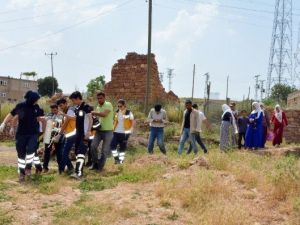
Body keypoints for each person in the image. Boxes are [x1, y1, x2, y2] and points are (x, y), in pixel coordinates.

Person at [0, 90, 43, 182]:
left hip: (33, 133)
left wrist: (43, 122)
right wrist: (4, 123)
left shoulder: (36, 107)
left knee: (31, 150)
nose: (37, 102)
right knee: (21, 154)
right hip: (21, 134)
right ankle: (22, 173)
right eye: (36, 100)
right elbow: (12, 115)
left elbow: (40, 118)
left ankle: (28, 168)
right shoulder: (21, 106)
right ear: (31, 99)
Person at [69, 91, 93, 179]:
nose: (73, 102)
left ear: (78, 99)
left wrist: (88, 131)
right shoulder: (78, 108)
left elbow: (90, 120)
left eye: (73, 100)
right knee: (77, 152)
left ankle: (78, 174)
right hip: (78, 133)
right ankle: (79, 171)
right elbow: (75, 119)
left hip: (84, 133)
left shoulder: (86, 107)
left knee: (81, 152)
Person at [90, 91, 114, 171]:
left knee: (104, 151)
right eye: (98, 98)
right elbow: (97, 118)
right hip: (99, 131)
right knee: (93, 146)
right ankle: (95, 164)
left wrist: (94, 112)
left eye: (101, 98)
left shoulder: (108, 104)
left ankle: (100, 167)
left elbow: (104, 114)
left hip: (108, 131)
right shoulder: (98, 107)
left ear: (104, 98)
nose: (99, 100)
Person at [54, 98, 76, 174]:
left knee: (63, 152)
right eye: (59, 106)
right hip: (67, 133)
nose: (61, 107)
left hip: (71, 134)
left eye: (61, 105)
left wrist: (59, 134)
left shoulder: (70, 110)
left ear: (66, 103)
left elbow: (66, 123)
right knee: (62, 152)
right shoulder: (65, 111)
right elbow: (63, 124)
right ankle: (70, 167)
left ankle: (61, 170)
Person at [111, 99, 134, 164]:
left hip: (124, 133)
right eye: (118, 106)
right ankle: (116, 159)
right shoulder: (117, 112)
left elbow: (132, 122)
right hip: (116, 132)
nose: (119, 108)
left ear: (124, 106)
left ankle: (121, 161)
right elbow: (115, 121)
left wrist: (130, 131)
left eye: (120, 106)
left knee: (122, 148)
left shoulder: (129, 112)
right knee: (112, 146)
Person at [42, 104, 63, 173]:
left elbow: (60, 125)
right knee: (47, 151)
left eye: (55, 110)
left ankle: (60, 168)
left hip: (57, 134)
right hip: (48, 134)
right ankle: (45, 167)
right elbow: (46, 123)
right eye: (52, 110)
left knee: (58, 151)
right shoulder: (49, 115)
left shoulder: (61, 115)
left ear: (57, 109)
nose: (53, 111)